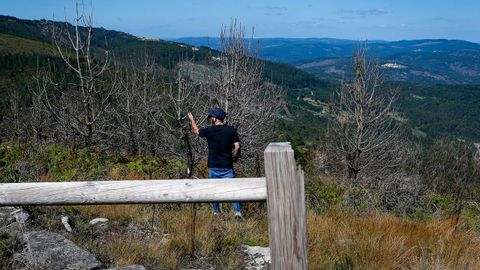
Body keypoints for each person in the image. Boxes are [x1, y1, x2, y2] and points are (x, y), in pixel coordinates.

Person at [188, 108, 242, 219]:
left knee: (214, 191)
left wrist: (192, 119)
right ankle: (237, 213)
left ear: (215, 118)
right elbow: (237, 146)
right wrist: (235, 157)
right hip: (227, 166)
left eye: (211, 117)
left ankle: (216, 213)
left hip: (213, 166)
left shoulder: (209, 131)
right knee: (233, 190)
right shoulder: (231, 130)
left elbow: (195, 130)